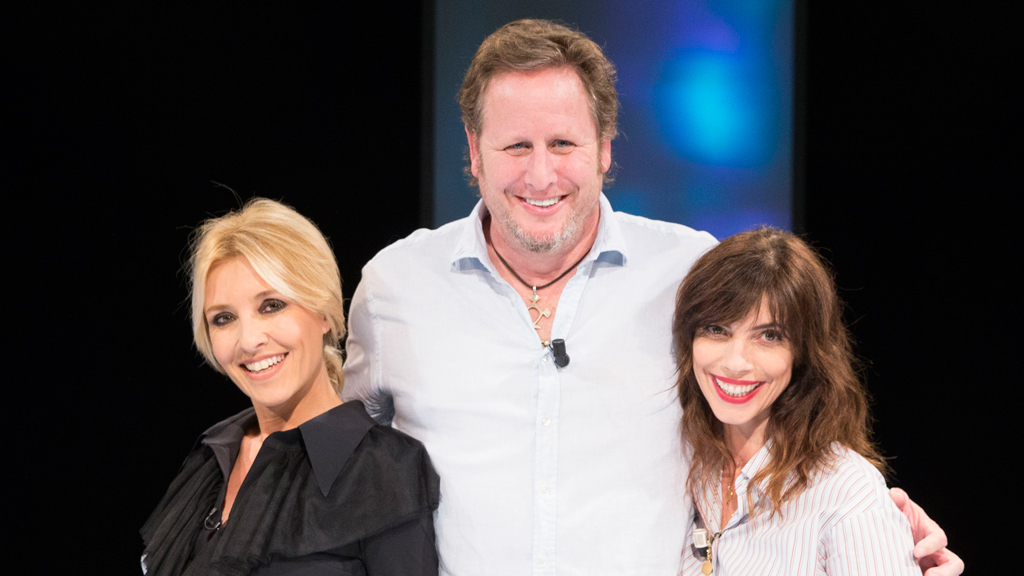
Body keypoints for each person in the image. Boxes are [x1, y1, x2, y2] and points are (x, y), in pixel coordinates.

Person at [343, 19, 961, 575]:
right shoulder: (395, 286)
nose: (540, 175)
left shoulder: (689, 270)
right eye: (515, 146)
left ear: (606, 149)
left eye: (563, 144)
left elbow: (784, 406)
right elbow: (340, 463)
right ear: (474, 151)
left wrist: (873, 516)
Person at [141, 199, 440, 576]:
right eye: (224, 318)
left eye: (271, 305)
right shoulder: (211, 459)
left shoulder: (385, 469)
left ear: (323, 312)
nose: (249, 340)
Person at [674, 227, 920, 575]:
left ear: (804, 353)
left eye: (769, 336)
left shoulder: (848, 493)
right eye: (717, 329)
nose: (735, 362)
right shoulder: (686, 465)